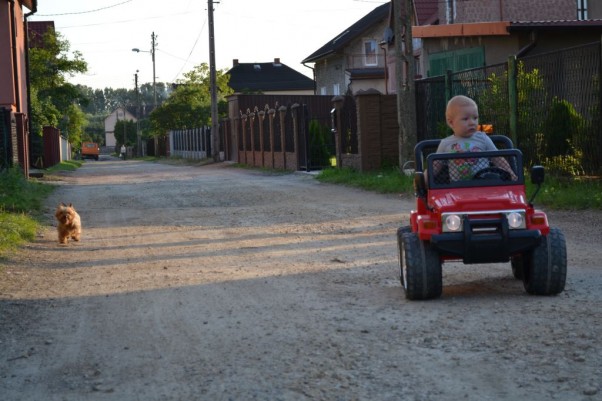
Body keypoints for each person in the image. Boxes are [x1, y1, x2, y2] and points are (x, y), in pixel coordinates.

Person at [433, 95, 517, 181]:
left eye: (475, 118)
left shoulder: (483, 138)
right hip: (457, 189)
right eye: (465, 119)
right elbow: (434, 168)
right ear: (451, 122)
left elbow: (498, 158)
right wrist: (423, 181)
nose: (472, 122)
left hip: (483, 185)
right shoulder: (445, 144)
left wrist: (511, 175)